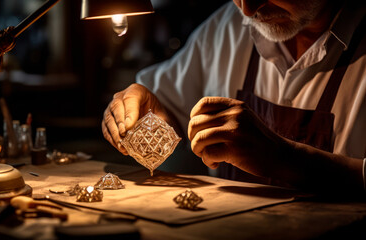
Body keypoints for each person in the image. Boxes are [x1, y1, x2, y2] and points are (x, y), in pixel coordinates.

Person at [102, 0, 366, 194]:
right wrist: (143, 109)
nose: (249, 9)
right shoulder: (227, 26)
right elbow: (165, 107)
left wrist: (285, 158)